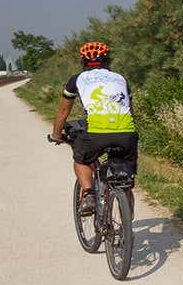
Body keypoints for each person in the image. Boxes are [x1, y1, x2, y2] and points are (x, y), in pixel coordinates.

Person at [49, 42, 138, 215]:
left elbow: (63, 111)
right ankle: (126, 221)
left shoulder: (77, 79)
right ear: (107, 60)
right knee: (124, 179)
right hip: (126, 133)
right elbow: (130, 111)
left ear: (83, 61)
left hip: (96, 134)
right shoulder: (120, 78)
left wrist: (56, 135)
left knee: (81, 160)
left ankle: (89, 194)